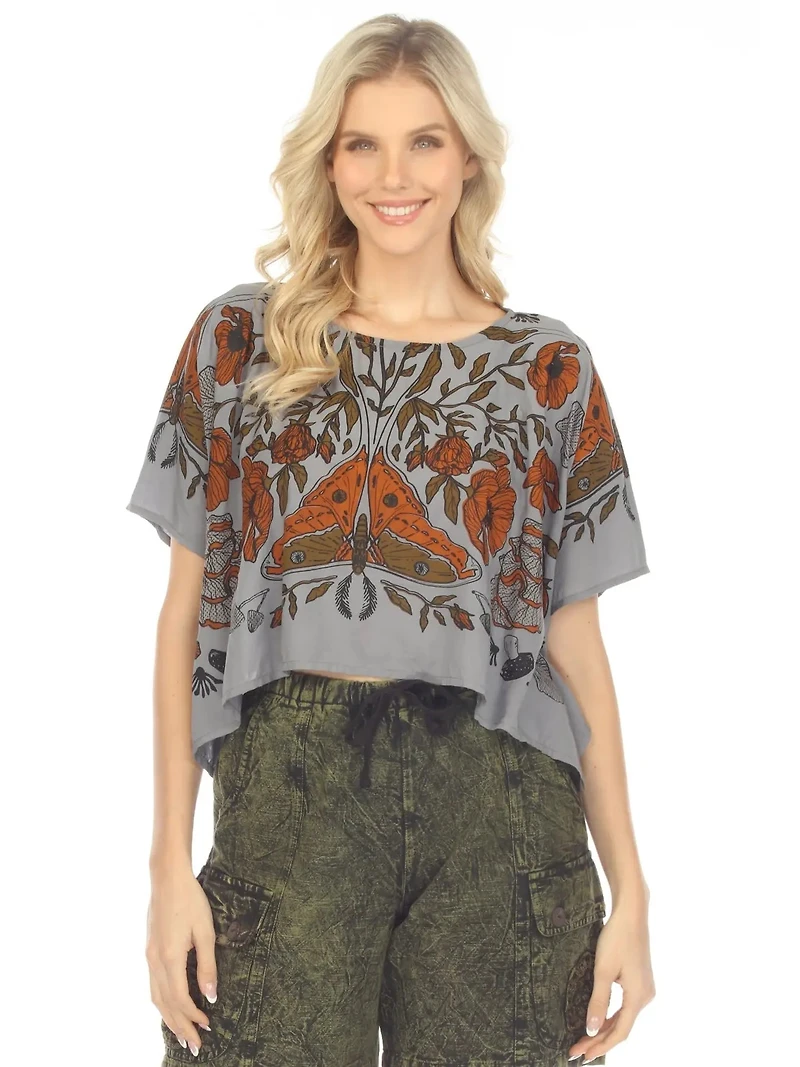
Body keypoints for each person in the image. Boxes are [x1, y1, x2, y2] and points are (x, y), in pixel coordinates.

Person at [127, 15, 655, 1067]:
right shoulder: (242, 342)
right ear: (328, 162)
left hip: (500, 802)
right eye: (361, 143)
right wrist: (166, 869)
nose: (393, 175)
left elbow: (574, 645)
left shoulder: (546, 371)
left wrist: (632, 888)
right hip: (288, 794)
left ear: (469, 159)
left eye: (424, 140)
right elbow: (185, 618)